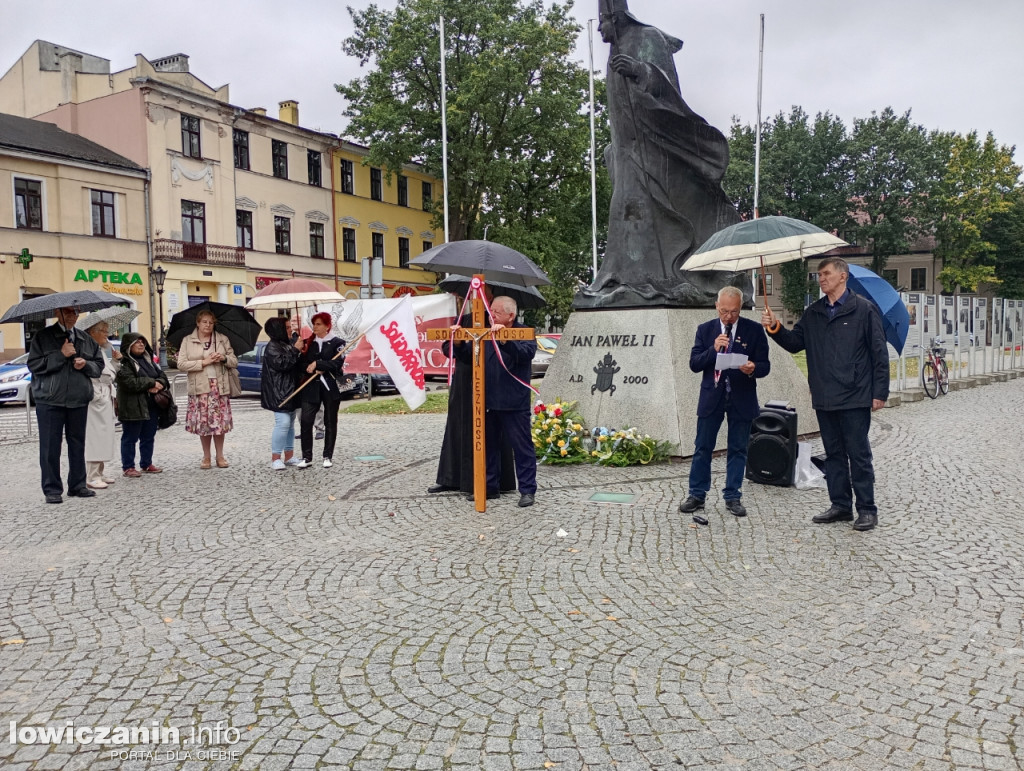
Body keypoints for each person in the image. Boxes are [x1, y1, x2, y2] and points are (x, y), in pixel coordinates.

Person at [575, 0, 744, 309]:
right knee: (625, 215)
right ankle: (626, 279)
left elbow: (670, 90)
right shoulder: (615, 49)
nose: (599, 28)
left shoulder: (647, 38)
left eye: (602, 20)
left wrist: (641, 70)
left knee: (646, 210)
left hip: (654, 148)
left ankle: (659, 280)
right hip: (626, 152)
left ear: (616, 15)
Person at [761, 256, 889, 531]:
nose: (821, 279)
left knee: (858, 454)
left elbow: (879, 353)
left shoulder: (864, 310)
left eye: (826, 274)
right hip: (824, 395)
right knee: (833, 454)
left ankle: (866, 508)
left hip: (855, 395)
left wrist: (879, 392)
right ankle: (840, 505)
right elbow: (796, 343)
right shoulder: (814, 313)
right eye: (819, 275)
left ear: (843, 276)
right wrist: (775, 327)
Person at [679, 287, 770, 524]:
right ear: (716, 306)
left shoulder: (753, 330)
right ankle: (697, 494)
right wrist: (713, 349)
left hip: (742, 396)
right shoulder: (705, 329)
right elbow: (694, 364)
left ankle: (733, 496)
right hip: (712, 397)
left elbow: (765, 365)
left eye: (734, 311)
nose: (729, 316)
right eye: (724, 311)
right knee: (702, 447)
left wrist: (753, 368)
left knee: (738, 448)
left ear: (740, 308)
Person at [429, 288, 517, 496]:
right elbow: (447, 349)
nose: (476, 298)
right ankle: (451, 478)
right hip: (463, 381)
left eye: (483, 294)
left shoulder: (499, 322)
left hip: (488, 380)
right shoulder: (465, 319)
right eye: (474, 295)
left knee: (486, 431)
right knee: (458, 426)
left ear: (491, 297)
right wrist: (455, 340)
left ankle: (486, 482)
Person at [451, 296, 537, 507]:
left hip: (514, 402)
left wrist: (504, 340)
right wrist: (459, 341)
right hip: (487, 399)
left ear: (511, 315)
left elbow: (525, 354)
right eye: (491, 310)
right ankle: (489, 487)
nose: (492, 315)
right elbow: (469, 356)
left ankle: (527, 490)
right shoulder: (484, 332)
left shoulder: (524, 332)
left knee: (522, 448)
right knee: (487, 447)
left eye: (497, 311)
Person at [27, 306, 105, 503]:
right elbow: (34, 365)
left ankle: (77, 485)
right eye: (69, 312)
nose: (74, 316)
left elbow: (98, 366)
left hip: (78, 398)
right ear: (57, 313)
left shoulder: (85, 338)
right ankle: (52, 488)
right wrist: (60, 354)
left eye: (76, 313)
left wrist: (85, 364)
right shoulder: (43, 337)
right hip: (50, 399)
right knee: (50, 446)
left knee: (77, 444)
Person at [176, 309, 238, 469]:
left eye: (211, 322)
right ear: (198, 323)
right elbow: (181, 364)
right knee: (204, 424)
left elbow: (234, 361)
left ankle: (220, 455)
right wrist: (204, 362)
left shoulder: (222, 339)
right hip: (200, 387)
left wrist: (223, 358)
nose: (208, 325)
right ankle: (206, 457)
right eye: (204, 322)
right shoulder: (188, 340)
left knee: (219, 424)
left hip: (219, 386)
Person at [116, 332, 170, 477]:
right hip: (132, 406)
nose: (141, 344)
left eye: (142, 341)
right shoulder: (125, 363)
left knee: (148, 436)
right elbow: (130, 383)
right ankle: (128, 467)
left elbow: (163, 376)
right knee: (130, 437)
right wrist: (151, 383)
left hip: (151, 405)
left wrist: (159, 384)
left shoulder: (149, 360)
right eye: (137, 342)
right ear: (129, 346)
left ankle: (146, 463)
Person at [295, 311, 345, 469]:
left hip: (330, 387)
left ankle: (327, 455)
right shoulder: (308, 342)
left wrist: (318, 364)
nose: (315, 327)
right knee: (306, 421)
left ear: (327, 326)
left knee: (330, 422)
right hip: (311, 386)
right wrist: (308, 367)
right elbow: (301, 365)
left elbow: (336, 364)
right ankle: (306, 456)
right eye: (314, 324)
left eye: (318, 324)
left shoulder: (338, 343)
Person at [81, 318, 122, 489]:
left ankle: (100, 471)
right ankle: (92, 475)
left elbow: (108, 372)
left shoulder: (98, 350)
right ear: (92, 333)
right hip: (95, 396)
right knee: (95, 436)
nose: (107, 335)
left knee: (104, 436)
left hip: (105, 395)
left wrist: (116, 361)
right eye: (103, 331)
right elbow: (98, 373)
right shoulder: (86, 350)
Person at [261, 317, 304, 470]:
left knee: (290, 424)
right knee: (283, 423)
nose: (289, 330)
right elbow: (283, 364)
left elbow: (295, 362)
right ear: (278, 329)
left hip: (290, 390)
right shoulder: (272, 347)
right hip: (279, 392)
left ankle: (289, 455)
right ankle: (275, 457)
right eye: (286, 327)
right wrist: (295, 350)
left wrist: (298, 346)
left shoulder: (286, 344)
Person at [289, 315, 324, 440]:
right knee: (299, 405)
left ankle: (320, 428)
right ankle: (304, 428)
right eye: (292, 321)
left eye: (295, 321)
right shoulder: (290, 338)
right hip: (295, 376)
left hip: (309, 374)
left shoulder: (309, 336)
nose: (293, 323)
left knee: (316, 403)